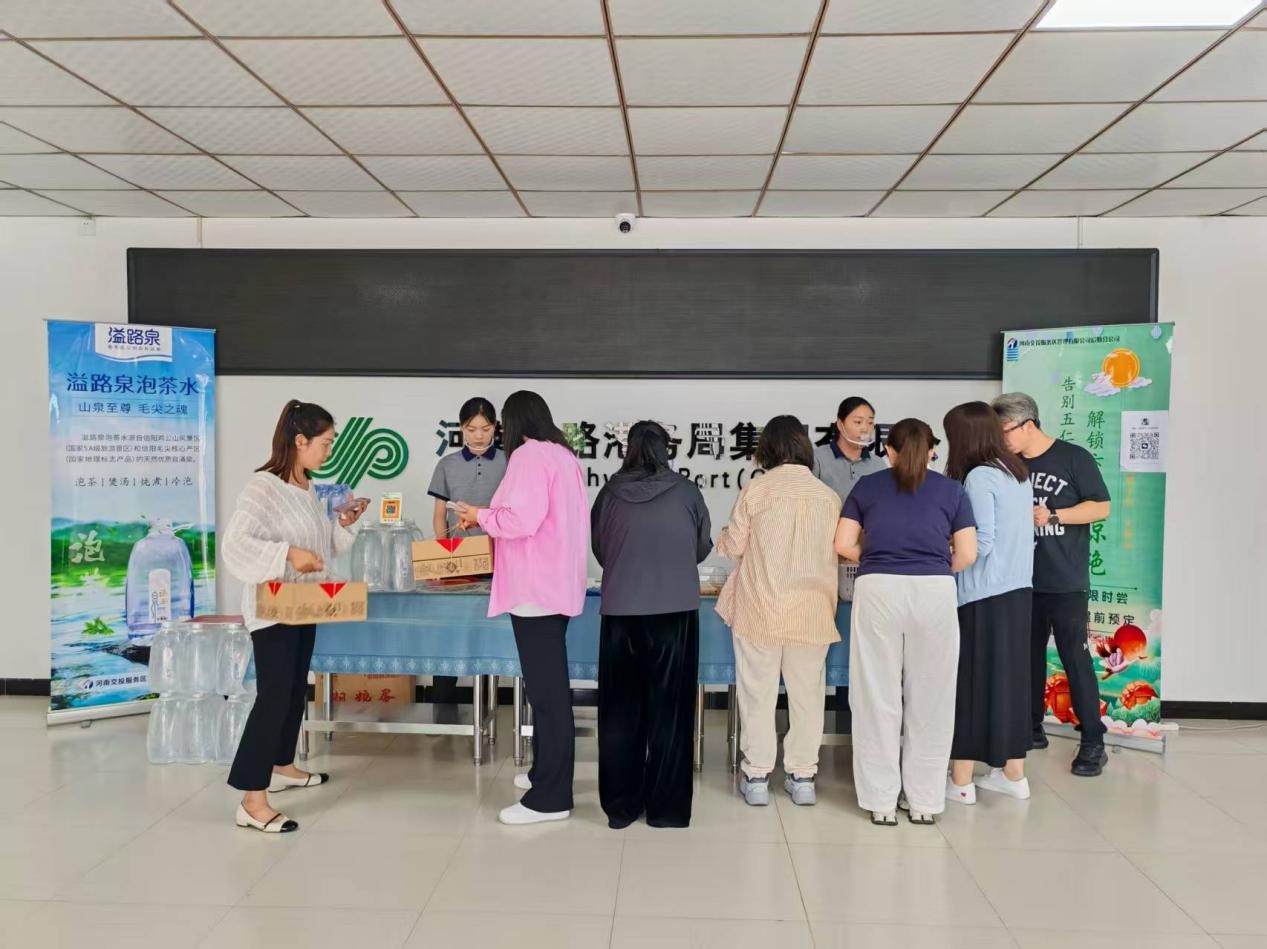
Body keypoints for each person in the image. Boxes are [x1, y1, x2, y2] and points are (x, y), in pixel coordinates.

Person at [221, 400, 368, 833]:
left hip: (303, 606)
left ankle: (282, 764)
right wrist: (286, 553)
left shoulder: (307, 489)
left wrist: (344, 523)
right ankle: (251, 799)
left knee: (292, 692)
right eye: (325, 443)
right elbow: (235, 544)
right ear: (299, 441)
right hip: (272, 610)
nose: (329, 451)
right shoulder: (262, 487)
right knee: (273, 696)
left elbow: (321, 551)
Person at [455, 390, 588, 825]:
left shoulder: (529, 456)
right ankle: (542, 774)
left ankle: (551, 797)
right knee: (547, 691)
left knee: (548, 697)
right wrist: (487, 514)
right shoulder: (562, 456)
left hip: (535, 590)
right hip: (556, 588)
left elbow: (521, 520)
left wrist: (481, 516)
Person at [836, 418, 977, 826]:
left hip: (878, 589)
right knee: (932, 698)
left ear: (888, 451)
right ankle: (924, 802)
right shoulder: (952, 491)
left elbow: (842, 543)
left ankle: (880, 801)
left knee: (876, 695)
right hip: (934, 591)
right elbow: (967, 553)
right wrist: (934, 567)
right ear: (932, 450)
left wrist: (877, 559)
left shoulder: (867, 487)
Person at [591, 421, 713, 829]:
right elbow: (700, 547)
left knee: (620, 712)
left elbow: (601, 548)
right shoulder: (687, 491)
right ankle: (667, 810)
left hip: (620, 611)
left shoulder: (608, 493)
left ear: (627, 449)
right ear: (666, 450)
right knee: (671, 712)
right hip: (674, 611)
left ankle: (621, 807)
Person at [716, 416, 841, 808]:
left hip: (760, 610)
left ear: (766, 449)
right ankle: (803, 778)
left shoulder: (756, 490)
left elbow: (733, 547)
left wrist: (724, 536)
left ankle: (756, 778)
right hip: (812, 612)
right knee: (807, 699)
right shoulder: (828, 496)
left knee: (757, 695)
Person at [994, 392, 1111, 778]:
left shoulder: (1073, 458)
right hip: (1020, 580)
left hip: (1065, 581)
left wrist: (1055, 515)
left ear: (1027, 424)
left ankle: (1093, 740)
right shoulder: (1006, 465)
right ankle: (1031, 728)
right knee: (1025, 658)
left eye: (1005, 431)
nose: (1001, 439)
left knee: (1075, 659)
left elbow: (1101, 506)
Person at [943, 402, 1034, 804]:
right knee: (1009, 684)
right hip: (1018, 591)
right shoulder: (1016, 472)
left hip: (983, 595)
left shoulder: (979, 476)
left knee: (971, 684)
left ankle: (961, 780)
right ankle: (1013, 774)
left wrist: (938, 563)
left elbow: (979, 544)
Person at [812, 396, 887, 729]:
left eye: (870, 422)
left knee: (860, 643)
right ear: (839, 424)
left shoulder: (878, 466)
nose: (865, 428)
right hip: (823, 561)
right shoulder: (818, 459)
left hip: (863, 561)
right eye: (858, 421)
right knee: (820, 642)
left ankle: (851, 720)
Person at [427, 397, 506, 702]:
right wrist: (444, 555)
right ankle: (441, 703)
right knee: (449, 632)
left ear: (495, 428)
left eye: (485, 429)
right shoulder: (446, 465)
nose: (479, 436)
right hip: (457, 563)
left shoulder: (510, 461)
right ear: (461, 428)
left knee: (492, 633)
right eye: (472, 429)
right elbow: (439, 516)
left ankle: (488, 703)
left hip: (501, 562)